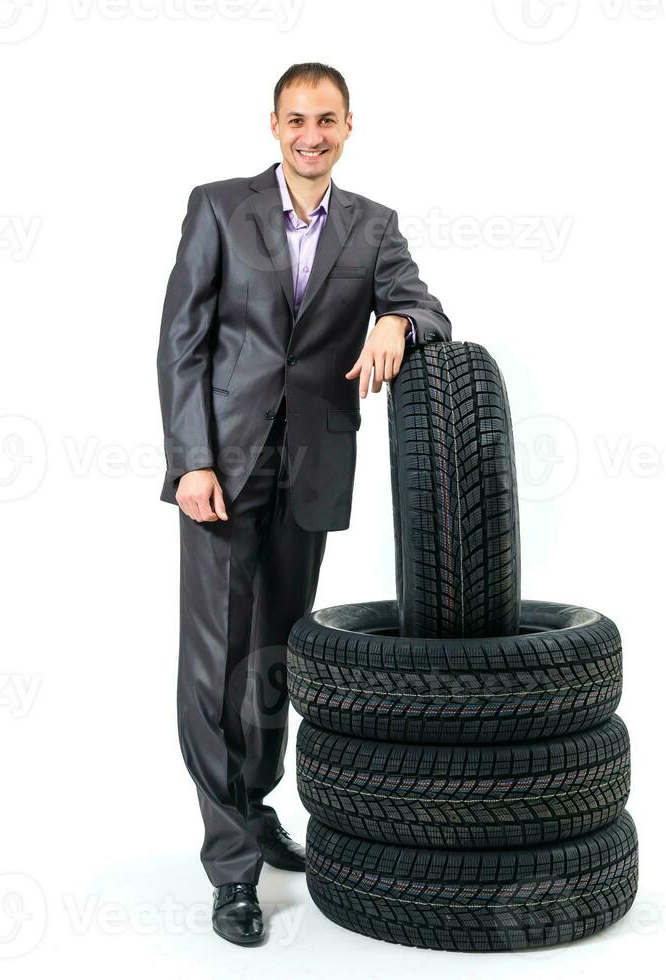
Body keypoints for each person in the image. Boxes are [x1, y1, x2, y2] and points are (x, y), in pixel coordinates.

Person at [155, 61, 451, 947]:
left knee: (276, 657)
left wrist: (397, 320)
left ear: (350, 126)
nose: (310, 133)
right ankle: (231, 866)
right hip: (222, 471)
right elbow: (182, 344)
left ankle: (254, 804)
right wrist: (190, 462)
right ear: (274, 126)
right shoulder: (217, 207)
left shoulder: (373, 227)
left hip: (311, 471)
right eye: (296, 119)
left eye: (326, 119)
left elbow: (428, 304)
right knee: (213, 668)